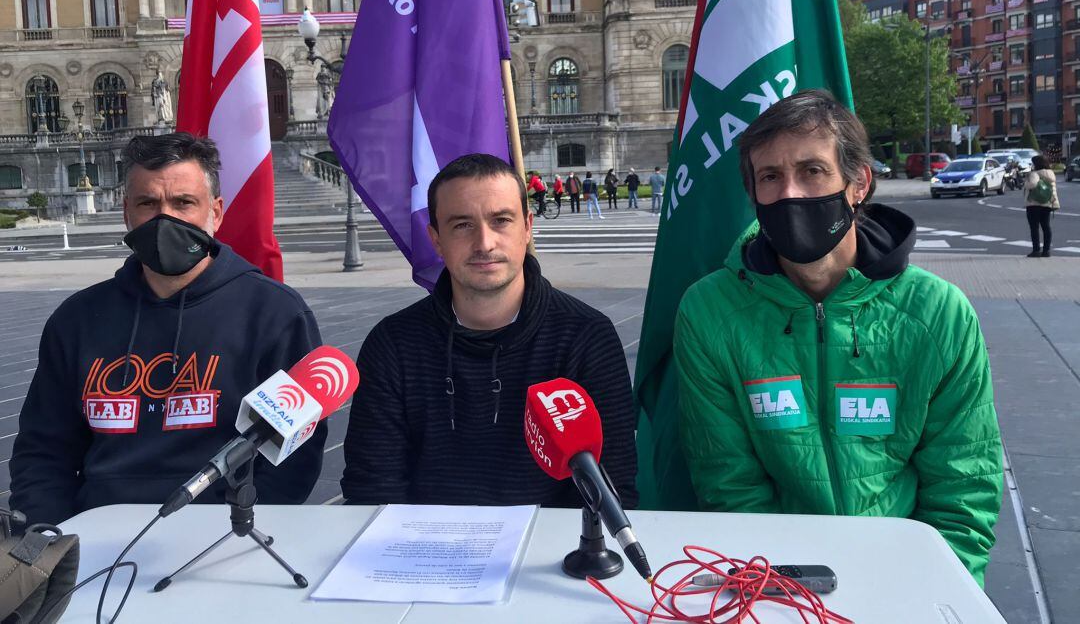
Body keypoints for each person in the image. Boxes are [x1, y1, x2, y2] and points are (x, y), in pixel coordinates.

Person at [672, 91, 1002, 586]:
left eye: (812, 171)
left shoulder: (939, 315)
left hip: (902, 575)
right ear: (753, 194)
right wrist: (781, 594)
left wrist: (931, 594)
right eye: (770, 177)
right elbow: (730, 486)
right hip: (776, 582)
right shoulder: (709, 313)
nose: (790, 194)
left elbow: (963, 490)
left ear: (858, 183)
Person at [9, 133, 326, 525]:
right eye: (148, 203)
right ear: (127, 212)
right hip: (97, 534)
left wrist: (241, 530)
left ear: (216, 212)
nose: (165, 218)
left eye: (183, 203)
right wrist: (53, 535)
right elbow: (43, 450)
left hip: (223, 535)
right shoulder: (76, 320)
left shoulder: (274, 313)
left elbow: (295, 451)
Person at [340, 154, 637, 507]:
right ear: (436, 239)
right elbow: (372, 487)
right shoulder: (393, 345)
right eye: (462, 225)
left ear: (527, 227)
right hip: (425, 551)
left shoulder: (587, 337)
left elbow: (611, 486)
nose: (484, 243)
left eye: (501, 220)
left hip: (552, 553)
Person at [1023, 153, 1059, 257]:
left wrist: (1026, 181)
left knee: (1034, 228)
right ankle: (1046, 250)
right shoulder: (1050, 173)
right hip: (1047, 203)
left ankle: (1036, 250)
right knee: (1046, 227)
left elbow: (1032, 185)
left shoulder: (1035, 173)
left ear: (1036, 164)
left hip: (1034, 203)